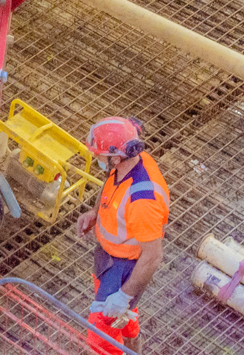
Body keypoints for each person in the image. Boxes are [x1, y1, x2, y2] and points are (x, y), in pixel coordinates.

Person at [76, 116, 169, 354]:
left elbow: (153, 256)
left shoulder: (143, 201)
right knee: (121, 316)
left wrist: (124, 295)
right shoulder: (125, 163)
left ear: (115, 156)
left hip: (125, 268)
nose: (96, 158)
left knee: (100, 338)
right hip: (109, 259)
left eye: (99, 155)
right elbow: (111, 183)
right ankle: (132, 340)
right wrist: (96, 212)